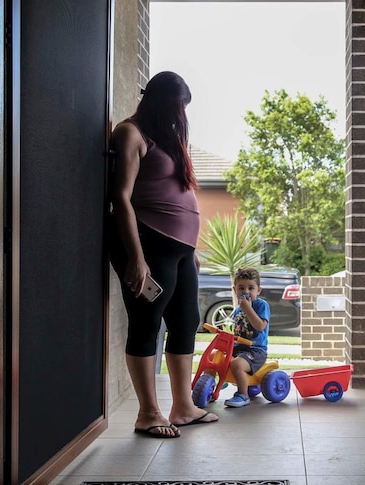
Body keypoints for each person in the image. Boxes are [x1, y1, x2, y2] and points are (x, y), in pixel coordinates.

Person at [108, 71, 218, 438]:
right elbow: (121, 197)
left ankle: (183, 407)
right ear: (157, 101)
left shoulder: (166, 137)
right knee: (146, 323)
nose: (180, 114)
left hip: (181, 250)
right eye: (177, 106)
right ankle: (148, 413)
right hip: (148, 243)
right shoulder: (131, 133)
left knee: (185, 321)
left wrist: (191, 248)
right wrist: (135, 257)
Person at [224, 267, 271, 408]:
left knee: (237, 364)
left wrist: (248, 308)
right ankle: (216, 382)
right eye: (241, 288)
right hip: (239, 348)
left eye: (251, 288)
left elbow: (259, 326)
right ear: (235, 290)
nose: (246, 292)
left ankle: (243, 395)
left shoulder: (261, 305)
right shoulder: (238, 309)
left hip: (256, 351)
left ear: (259, 290)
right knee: (217, 356)